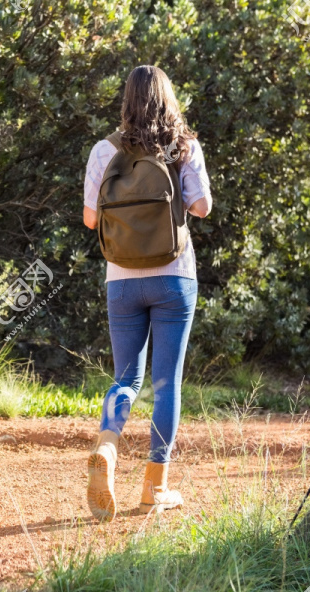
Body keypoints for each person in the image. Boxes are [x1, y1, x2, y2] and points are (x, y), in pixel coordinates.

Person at [82, 65, 212, 521]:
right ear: (168, 100)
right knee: (165, 383)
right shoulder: (183, 147)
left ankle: (108, 448)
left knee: (126, 378)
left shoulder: (105, 150)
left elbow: (91, 220)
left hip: (121, 279)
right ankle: (154, 487)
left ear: (127, 101)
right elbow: (201, 207)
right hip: (175, 276)